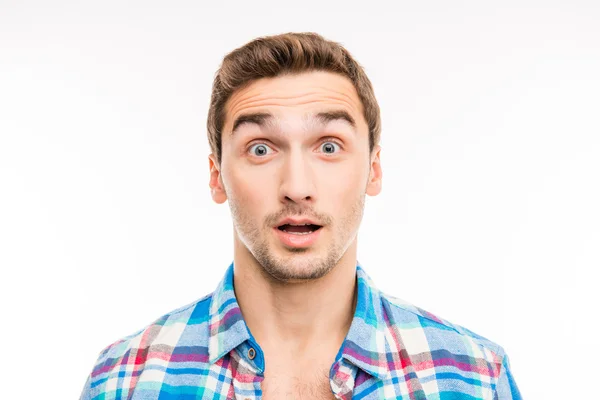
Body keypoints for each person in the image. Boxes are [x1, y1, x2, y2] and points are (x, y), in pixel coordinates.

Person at [79, 32, 522, 400]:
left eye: (329, 146)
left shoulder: (474, 378)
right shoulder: (125, 380)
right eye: (261, 149)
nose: (295, 186)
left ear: (373, 169)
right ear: (217, 176)